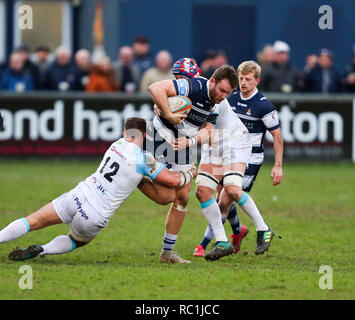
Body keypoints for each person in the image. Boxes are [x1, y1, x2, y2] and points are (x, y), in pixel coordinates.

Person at [0, 117, 197, 262]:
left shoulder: (115, 145)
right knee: (76, 241)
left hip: (79, 194)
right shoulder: (143, 159)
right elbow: (171, 180)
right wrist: (190, 173)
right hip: (95, 214)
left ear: (124, 133)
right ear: (143, 136)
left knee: (32, 220)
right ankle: (42, 249)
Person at [189, 60, 283, 258]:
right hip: (216, 148)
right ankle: (230, 236)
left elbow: (209, 129)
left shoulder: (261, 104)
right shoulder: (205, 94)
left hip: (240, 148)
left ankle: (260, 228)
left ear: (257, 81)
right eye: (241, 79)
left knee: (229, 194)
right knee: (204, 192)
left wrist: (278, 165)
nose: (243, 83)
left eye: (247, 79)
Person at [146, 62, 239, 264]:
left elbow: (209, 130)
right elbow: (154, 88)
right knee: (165, 196)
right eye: (222, 90)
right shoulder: (195, 86)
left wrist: (190, 141)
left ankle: (167, 253)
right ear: (212, 81)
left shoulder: (218, 101)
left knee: (182, 198)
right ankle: (133, 174)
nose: (224, 95)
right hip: (161, 137)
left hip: (184, 143)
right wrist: (168, 112)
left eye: (228, 92)